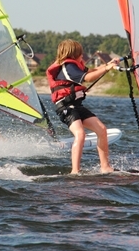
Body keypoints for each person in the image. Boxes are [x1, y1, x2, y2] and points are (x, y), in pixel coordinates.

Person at [46, 39, 119, 174]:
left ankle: (105, 167)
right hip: (66, 108)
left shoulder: (74, 66)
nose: (82, 56)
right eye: (80, 53)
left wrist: (108, 64)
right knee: (80, 134)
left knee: (101, 130)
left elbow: (93, 70)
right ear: (73, 54)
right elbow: (88, 77)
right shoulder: (68, 67)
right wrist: (107, 68)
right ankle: (75, 171)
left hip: (76, 106)